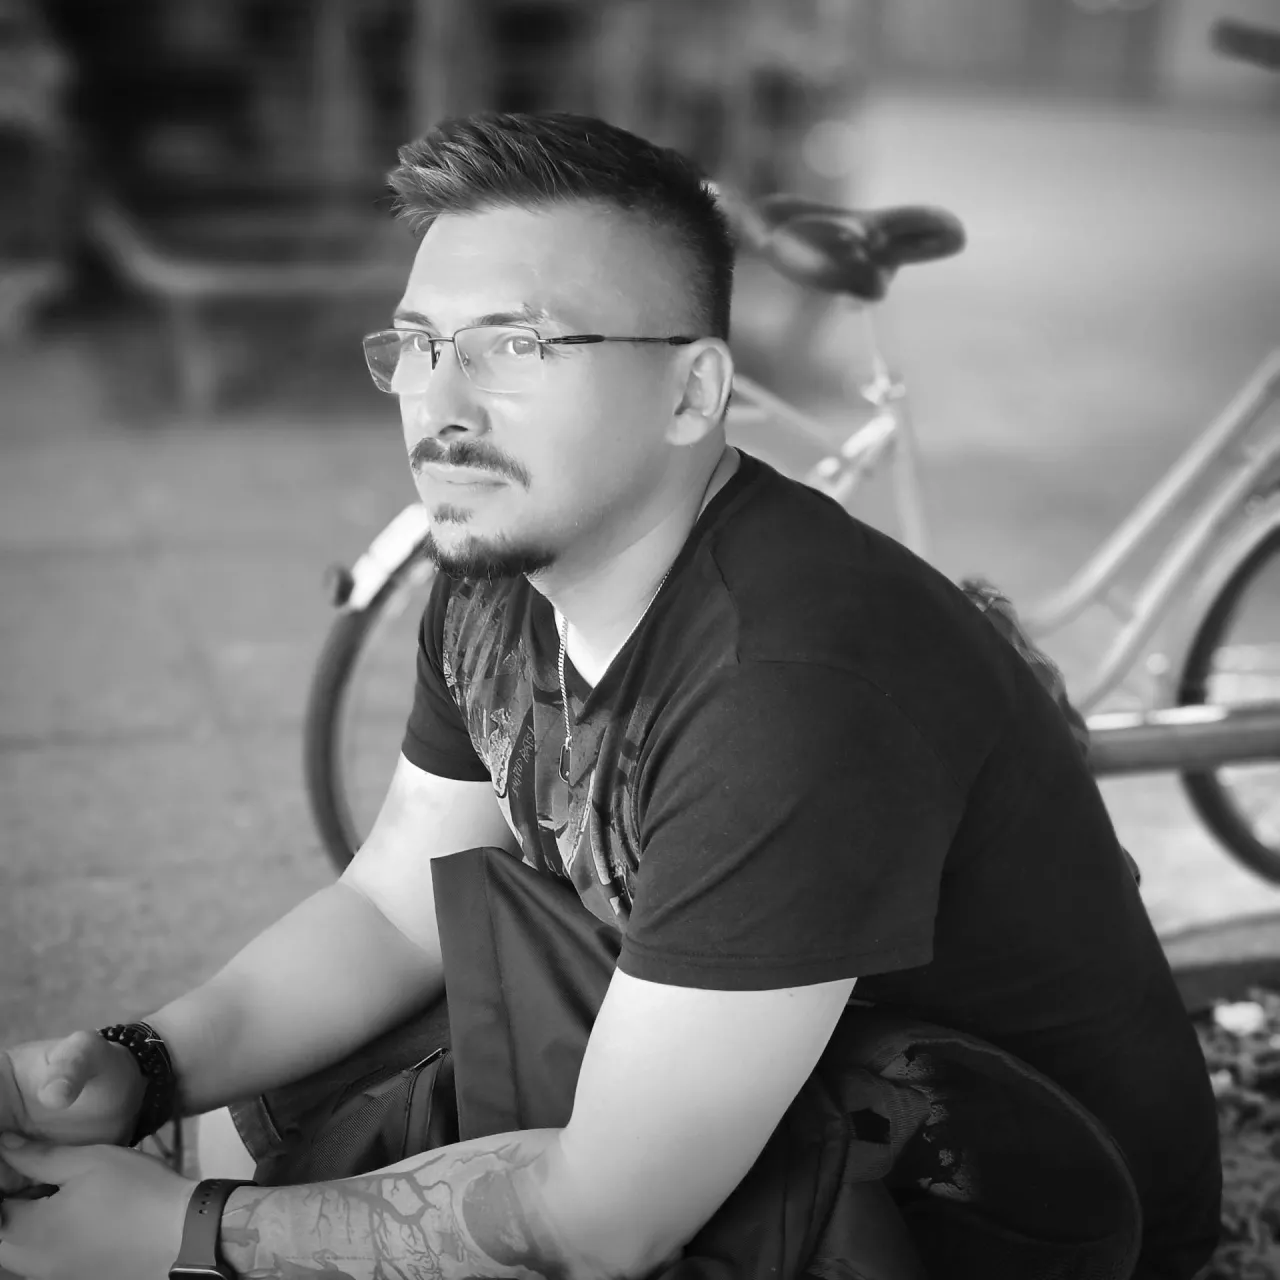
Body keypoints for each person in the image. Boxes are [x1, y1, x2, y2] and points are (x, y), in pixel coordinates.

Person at [0, 112, 1220, 1280]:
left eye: (514, 346)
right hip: (792, 1089)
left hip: (995, 1205)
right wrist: (141, 1063)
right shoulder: (498, 565)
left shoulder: (789, 688)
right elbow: (393, 905)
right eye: (419, 344)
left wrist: (189, 1233)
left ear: (692, 393)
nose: (441, 407)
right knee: (355, 1056)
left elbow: (605, 1221)